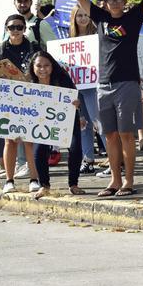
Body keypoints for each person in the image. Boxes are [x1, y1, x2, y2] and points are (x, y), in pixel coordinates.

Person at [71, 0, 143, 198]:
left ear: (124, 0)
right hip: (103, 85)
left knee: (126, 134)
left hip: (127, 84)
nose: (115, 2)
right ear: (104, 3)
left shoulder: (133, 17)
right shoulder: (100, 18)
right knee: (109, 135)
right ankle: (115, 180)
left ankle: (128, 181)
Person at [0, 14, 42, 195]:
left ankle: (34, 179)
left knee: (29, 141)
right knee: (10, 141)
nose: (16, 31)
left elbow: (43, 67)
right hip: (7, 99)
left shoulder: (33, 47)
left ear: (24, 29)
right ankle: (9, 180)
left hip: (29, 97)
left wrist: (30, 77)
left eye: (19, 27)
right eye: (12, 27)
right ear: (6, 29)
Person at [25, 51, 86, 198]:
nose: (43, 69)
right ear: (32, 67)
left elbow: (76, 96)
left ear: (52, 66)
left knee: (75, 148)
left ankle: (73, 184)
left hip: (67, 119)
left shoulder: (62, 78)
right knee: (39, 151)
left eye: (46, 65)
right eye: (39, 66)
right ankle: (44, 186)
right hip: (41, 122)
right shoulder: (28, 83)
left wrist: (79, 108)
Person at [69, 5, 101, 175]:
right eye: (79, 15)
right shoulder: (68, 39)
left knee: (99, 122)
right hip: (76, 87)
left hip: (92, 85)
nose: (82, 18)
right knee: (83, 124)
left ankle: (114, 160)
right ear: (73, 18)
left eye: (85, 15)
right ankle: (88, 159)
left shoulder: (96, 36)